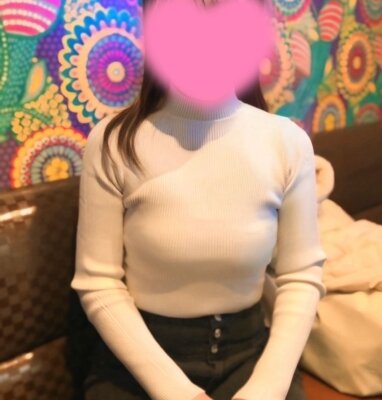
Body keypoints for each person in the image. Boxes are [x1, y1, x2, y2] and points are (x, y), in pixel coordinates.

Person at [70, 1, 327, 399]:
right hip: (138, 360)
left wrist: (267, 386)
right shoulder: (112, 142)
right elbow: (98, 283)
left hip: (250, 355)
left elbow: (300, 276)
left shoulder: (287, 143)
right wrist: (176, 391)